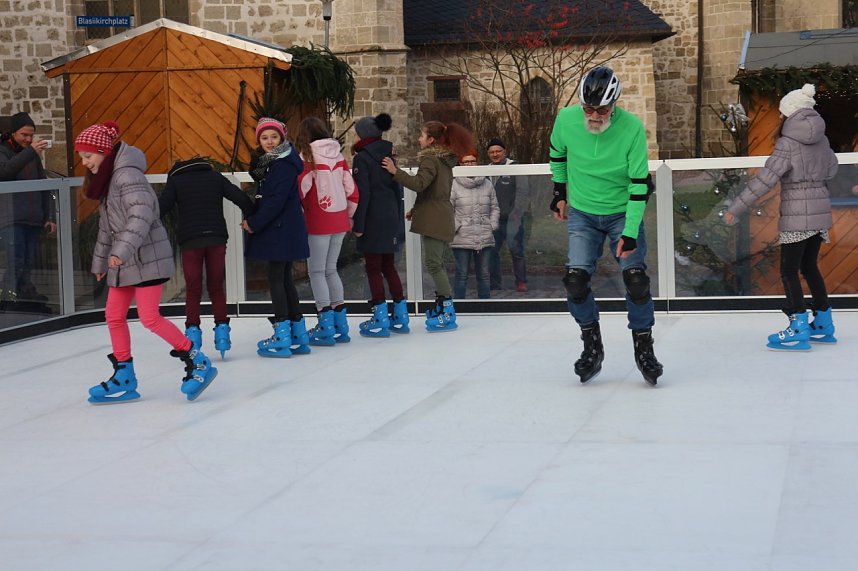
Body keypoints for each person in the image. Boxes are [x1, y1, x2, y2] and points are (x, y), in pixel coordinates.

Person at [76, 121, 217, 403]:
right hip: (125, 261)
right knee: (114, 316)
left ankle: (197, 361)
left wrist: (121, 252)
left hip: (147, 257)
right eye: (82, 157)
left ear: (103, 151)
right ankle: (124, 374)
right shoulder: (109, 179)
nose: (85, 162)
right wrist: (101, 262)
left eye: (88, 156)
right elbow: (107, 227)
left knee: (149, 317)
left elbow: (140, 217)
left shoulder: (126, 175)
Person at [549, 66, 662, 386]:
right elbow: (558, 154)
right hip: (583, 213)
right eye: (588, 108)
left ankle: (644, 348)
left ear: (615, 104)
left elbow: (640, 184)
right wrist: (559, 192)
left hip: (621, 212)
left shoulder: (632, 128)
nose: (594, 115)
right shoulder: (566, 120)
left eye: (601, 109)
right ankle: (592, 345)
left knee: (636, 279)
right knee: (574, 280)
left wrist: (630, 231)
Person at [725, 84, 839, 350]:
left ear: (789, 114)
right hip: (820, 213)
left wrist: (735, 208)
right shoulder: (822, 140)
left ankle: (798, 327)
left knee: (789, 270)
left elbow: (765, 180)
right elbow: (832, 169)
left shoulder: (787, 144)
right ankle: (823, 322)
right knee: (810, 267)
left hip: (797, 216)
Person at [382, 120, 474, 332]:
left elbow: (419, 184)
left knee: (434, 264)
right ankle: (443, 305)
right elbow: (434, 190)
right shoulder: (443, 160)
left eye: (422, 136)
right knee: (437, 262)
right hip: (439, 213)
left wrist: (395, 171)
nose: (419, 139)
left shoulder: (431, 160)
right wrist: (416, 208)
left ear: (431, 140)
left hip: (435, 218)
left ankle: (447, 309)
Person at [158, 156, 254, 359]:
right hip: (216, 238)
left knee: (193, 289)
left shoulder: (176, 181)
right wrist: (251, 218)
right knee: (216, 287)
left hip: (190, 241)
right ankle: (222, 336)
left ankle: (193, 339)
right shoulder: (215, 177)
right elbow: (240, 197)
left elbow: (161, 208)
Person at [242, 117, 311, 357]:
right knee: (283, 278)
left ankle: (282, 334)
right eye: (264, 138)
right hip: (284, 227)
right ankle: (297, 332)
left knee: (276, 278)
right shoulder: (274, 162)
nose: (269, 142)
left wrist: (254, 223)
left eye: (273, 137)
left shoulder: (281, 164)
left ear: (281, 138)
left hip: (281, 228)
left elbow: (275, 201)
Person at [295, 116, 359, 345]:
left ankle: (325, 324)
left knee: (317, 272)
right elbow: (352, 190)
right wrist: (348, 216)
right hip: (340, 219)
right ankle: (340, 324)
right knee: (331, 270)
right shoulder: (339, 157)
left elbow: (301, 190)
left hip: (318, 220)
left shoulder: (307, 157)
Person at [351, 112, 410, 337]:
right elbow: (396, 188)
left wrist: (359, 224)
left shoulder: (362, 157)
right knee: (389, 266)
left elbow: (363, 192)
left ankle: (379, 316)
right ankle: (400, 314)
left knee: (373, 268)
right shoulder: (388, 155)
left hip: (372, 218)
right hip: (389, 216)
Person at [0, 112, 56, 303]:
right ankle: (9, 297)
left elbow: (44, 186)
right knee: (15, 261)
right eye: (24, 135)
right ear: (13, 133)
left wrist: (49, 217)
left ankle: (25, 294)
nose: (28, 139)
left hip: (33, 217)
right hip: (11, 219)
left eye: (31, 135)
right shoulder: (3, 151)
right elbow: (5, 172)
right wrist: (31, 151)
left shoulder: (32, 155)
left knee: (28, 262)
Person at [450, 151, 499, 299]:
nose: (470, 164)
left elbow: (495, 207)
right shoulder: (453, 185)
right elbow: (447, 209)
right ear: (460, 164)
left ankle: (484, 305)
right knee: (461, 273)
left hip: (484, 234)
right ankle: (459, 305)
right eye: (466, 161)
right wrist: (457, 226)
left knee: (484, 274)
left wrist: (492, 224)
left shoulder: (487, 183)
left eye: (473, 161)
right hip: (461, 236)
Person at [486, 138, 528, 292]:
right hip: (491, 220)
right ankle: (495, 283)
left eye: (498, 151)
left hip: (512, 219)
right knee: (491, 252)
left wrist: (516, 213)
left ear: (505, 152)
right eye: (491, 152)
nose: (495, 154)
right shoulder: (485, 170)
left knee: (517, 251)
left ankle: (521, 282)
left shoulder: (514, 167)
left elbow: (523, 191)